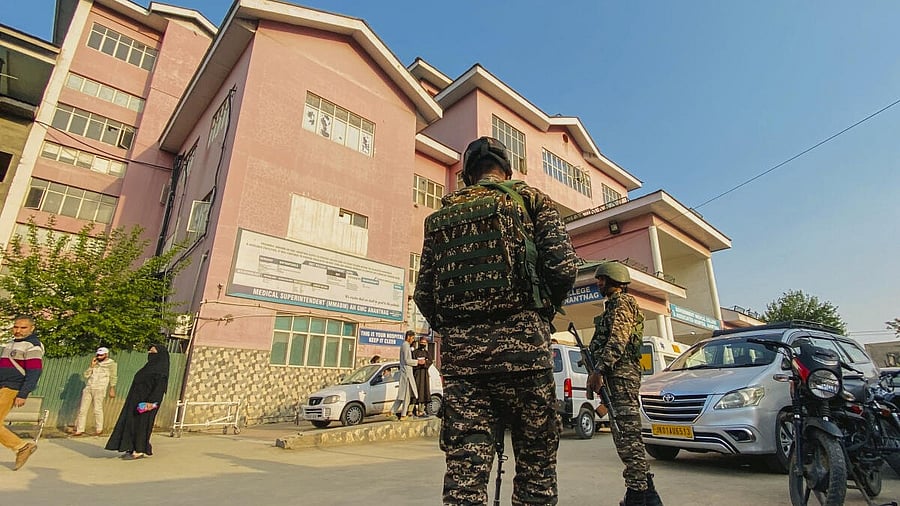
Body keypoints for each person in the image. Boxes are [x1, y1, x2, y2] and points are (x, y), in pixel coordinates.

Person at [414, 136, 578, 505]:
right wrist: (539, 313)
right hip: (526, 359)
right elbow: (563, 268)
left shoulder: (439, 218)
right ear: (506, 169)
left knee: (465, 478)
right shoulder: (531, 201)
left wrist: (458, 330)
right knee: (536, 472)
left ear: (467, 175)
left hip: (465, 369)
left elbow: (424, 294)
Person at [586, 261, 663, 506]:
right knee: (625, 439)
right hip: (615, 377)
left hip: (621, 377)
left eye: (602, 280)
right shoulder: (612, 305)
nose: (599, 284)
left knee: (627, 439)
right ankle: (646, 495)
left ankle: (638, 497)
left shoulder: (623, 303)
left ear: (614, 281)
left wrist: (599, 370)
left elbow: (618, 340)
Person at [106, 343, 169, 460]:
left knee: (142, 425)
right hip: (135, 401)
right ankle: (130, 447)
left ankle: (139, 450)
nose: (150, 354)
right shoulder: (147, 368)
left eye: (153, 352)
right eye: (149, 352)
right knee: (131, 423)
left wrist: (151, 403)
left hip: (147, 403)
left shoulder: (161, 372)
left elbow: (159, 390)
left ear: (160, 355)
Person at [0, 315, 43, 470]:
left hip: (12, 388)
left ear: (32, 328)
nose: (18, 330)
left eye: (23, 327)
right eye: (16, 327)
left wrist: (23, 393)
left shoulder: (33, 346)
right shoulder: (11, 344)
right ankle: (21, 447)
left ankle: (22, 447)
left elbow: (34, 371)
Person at [72, 347, 118, 436]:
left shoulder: (111, 364)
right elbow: (86, 375)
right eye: (98, 355)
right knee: (82, 409)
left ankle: (99, 429)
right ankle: (80, 429)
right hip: (89, 387)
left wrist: (112, 388)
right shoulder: (95, 363)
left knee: (97, 409)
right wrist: (91, 366)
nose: (99, 356)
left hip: (100, 388)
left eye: (101, 355)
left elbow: (113, 376)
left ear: (106, 355)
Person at [391, 330, 418, 420]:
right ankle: (403, 414)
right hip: (407, 374)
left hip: (406, 373)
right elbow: (407, 360)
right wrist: (417, 362)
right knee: (406, 396)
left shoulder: (404, 345)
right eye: (412, 338)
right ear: (408, 337)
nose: (413, 340)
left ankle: (392, 411)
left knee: (402, 395)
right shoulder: (406, 346)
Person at [412, 337, 432, 417]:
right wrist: (418, 362)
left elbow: (430, 361)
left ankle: (421, 410)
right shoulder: (415, 352)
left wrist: (424, 363)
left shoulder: (427, 353)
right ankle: (412, 410)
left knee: (424, 392)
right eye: (422, 342)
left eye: (424, 343)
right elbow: (412, 362)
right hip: (417, 374)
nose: (423, 344)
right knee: (415, 392)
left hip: (424, 375)